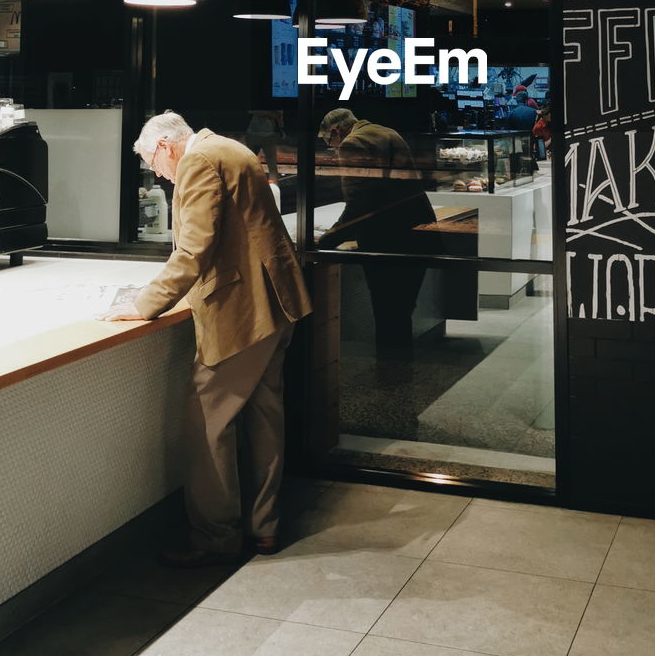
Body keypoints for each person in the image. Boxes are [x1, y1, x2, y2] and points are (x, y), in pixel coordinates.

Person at [105, 111, 311, 567]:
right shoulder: (230, 147)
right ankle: (265, 529)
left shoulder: (197, 162)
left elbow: (194, 248)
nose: (159, 177)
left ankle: (215, 538)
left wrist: (144, 304)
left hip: (242, 313)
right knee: (264, 420)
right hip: (275, 304)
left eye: (154, 166)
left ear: (164, 148)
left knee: (206, 422)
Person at [318, 108, 435, 359]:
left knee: (388, 311)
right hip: (418, 230)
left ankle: (391, 378)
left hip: (389, 237)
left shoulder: (353, 143)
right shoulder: (385, 131)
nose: (333, 149)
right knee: (401, 310)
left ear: (336, 132)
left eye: (329, 143)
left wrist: (324, 241)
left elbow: (359, 205)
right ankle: (401, 375)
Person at [242, 108, 284, 183]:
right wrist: (269, 113)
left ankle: (273, 190)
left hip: (265, 135)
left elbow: (278, 116)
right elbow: (251, 110)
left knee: (271, 166)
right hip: (254, 134)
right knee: (249, 164)